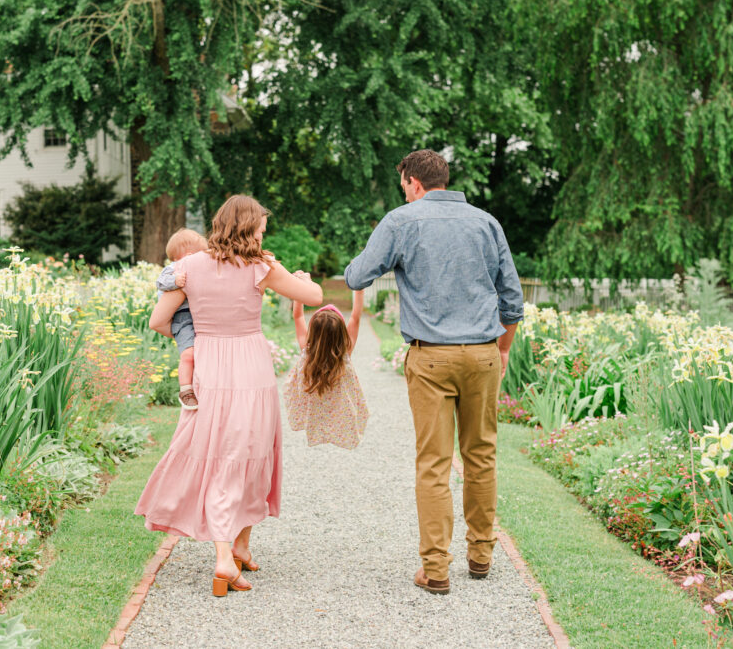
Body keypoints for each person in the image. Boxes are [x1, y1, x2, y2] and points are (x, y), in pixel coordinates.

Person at [344, 149, 524, 595]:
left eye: (402, 183)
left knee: (434, 463)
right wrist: (501, 351)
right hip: (482, 354)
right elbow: (512, 299)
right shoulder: (486, 222)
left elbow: (357, 277)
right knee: (481, 456)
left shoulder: (402, 221)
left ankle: (436, 569)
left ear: (412, 181)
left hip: (431, 358)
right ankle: (481, 558)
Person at [135, 195, 323, 597]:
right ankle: (225, 559)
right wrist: (291, 274)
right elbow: (315, 296)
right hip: (251, 369)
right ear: (248, 229)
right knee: (250, 454)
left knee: (219, 455)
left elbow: (157, 321)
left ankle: (234, 548)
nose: (263, 234)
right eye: (260, 228)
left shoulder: (187, 268)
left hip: (211, 368)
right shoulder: (262, 268)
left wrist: (200, 341)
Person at [283, 288, 369, 450]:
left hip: (317, 409)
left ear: (313, 333)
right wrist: (359, 288)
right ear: (341, 333)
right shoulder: (345, 351)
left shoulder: (306, 350)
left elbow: (298, 316)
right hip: (338, 409)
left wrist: (300, 288)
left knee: (319, 413)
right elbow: (356, 317)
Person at [156, 228, 208, 410]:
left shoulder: (197, 269)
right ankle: (185, 389)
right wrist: (175, 281)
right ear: (189, 256)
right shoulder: (173, 269)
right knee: (188, 354)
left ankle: (201, 384)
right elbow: (160, 283)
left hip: (197, 314)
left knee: (201, 353)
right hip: (182, 317)